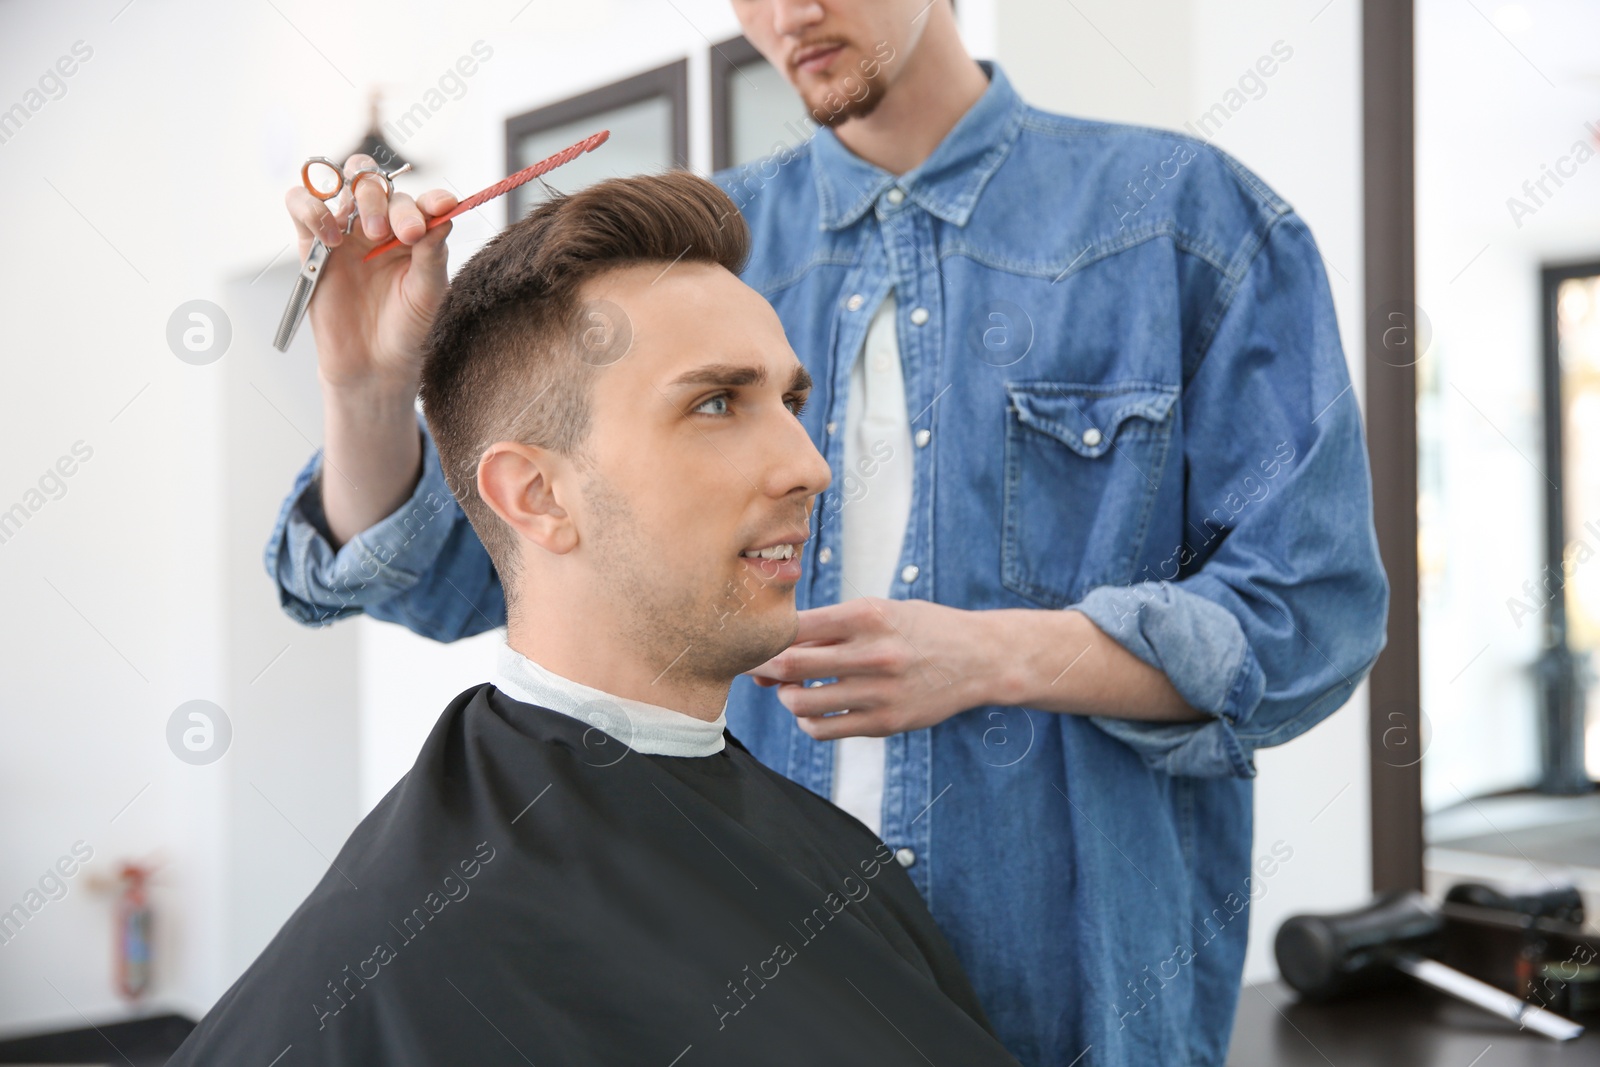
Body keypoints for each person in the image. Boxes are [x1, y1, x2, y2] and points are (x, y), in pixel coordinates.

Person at [268, 1, 1390, 1063]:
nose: (786, 14)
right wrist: (368, 390)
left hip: (1083, 989)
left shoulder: (1187, 223)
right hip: (755, 973)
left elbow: (1312, 613)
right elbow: (465, 570)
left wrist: (997, 655)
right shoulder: (701, 265)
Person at [173, 172, 1021, 1067]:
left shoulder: (840, 864)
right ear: (536, 496)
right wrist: (366, 394)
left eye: (791, 402)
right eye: (715, 403)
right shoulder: (393, 942)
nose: (809, 464)